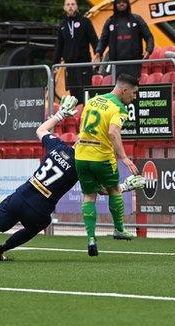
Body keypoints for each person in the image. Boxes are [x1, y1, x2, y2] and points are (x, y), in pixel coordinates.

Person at [0, 96, 144, 265]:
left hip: (21, 196)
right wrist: (126, 186)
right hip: (40, 210)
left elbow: (41, 129)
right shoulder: (81, 166)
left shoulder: (56, 146)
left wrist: (61, 114)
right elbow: (103, 191)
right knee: (34, 228)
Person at [75, 73, 140, 257]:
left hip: (81, 155)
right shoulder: (118, 108)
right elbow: (113, 132)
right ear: (124, 90)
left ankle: (90, 238)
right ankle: (119, 229)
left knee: (89, 197)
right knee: (114, 191)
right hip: (101, 157)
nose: (133, 98)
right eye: (133, 94)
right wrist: (125, 158)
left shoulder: (94, 100)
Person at [93, 0, 154, 80]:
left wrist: (149, 50)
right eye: (118, 2)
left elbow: (149, 36)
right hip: (116, 63)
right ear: (115, 5)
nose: (121, 4)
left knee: (133, 88)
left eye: (124, 2)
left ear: (127, 3)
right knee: (118, 89)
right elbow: (103, 40)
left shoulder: (136, 19)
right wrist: (98, 52)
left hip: (134, 62)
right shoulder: (110, 21)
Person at [53, 0, 98, 104]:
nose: (70, 7)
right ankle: (77, 117)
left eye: (73, 4)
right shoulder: (63, 25)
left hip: (83, 63)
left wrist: (98, 54)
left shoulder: (85, 21)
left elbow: (94, 40)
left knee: (85, 92)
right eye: (68, 5)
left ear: (77, 6)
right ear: (64, 7)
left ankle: (87, 114)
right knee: (74, 93)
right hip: (70, 64)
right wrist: (55, 63)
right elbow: (59, 45)